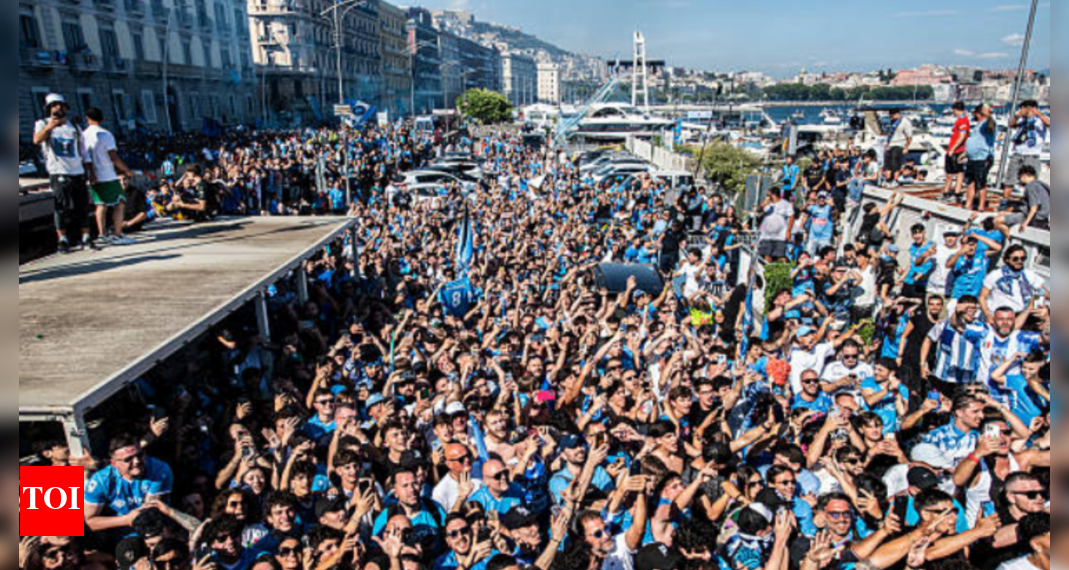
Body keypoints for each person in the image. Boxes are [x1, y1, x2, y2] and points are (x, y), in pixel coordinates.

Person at [33, 94, 96, 253]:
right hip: (58, 171)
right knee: (61, 207)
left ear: (65, 107)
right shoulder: (42, 123)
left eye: (60, 105)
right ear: (48, 108)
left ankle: (86, 237)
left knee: (82, 206)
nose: (57, 108)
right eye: (54, 105)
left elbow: (83, 150)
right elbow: (36, 140)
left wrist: (91, 171)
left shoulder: (74, 126)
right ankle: (62, 239)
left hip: (77, 171)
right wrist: (50, 127)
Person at [85, 436, 175, 533]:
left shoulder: (158, 469)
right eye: (128, 459)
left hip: (151, 529)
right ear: (114, 463)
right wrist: (127, 520)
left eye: (140, 455)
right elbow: (89, 522)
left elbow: (149, 514)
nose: (137, 461)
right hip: (116, 533)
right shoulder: (101, 480)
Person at [83, 107, 136, 246]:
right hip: (107, 174)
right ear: (102, 119)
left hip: (93, 175)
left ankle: (102, 234)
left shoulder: (83, 135)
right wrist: (127, 171)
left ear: (87, 119)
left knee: (100, 205)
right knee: (120, 202)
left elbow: (86, 158)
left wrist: (91, 174)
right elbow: (113, 157)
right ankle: (117, 235)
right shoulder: (105, 134)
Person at [1001, 100, 1049, 203]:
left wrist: (1037, 114)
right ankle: (1004, 201)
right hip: (1018, 153)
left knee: (1031, 181)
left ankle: (1030, 202)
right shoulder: (1021, 120)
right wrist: (1017, 115)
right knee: (1010, 179)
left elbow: (1050, 124)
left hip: (1032, 154)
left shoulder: (1039, 121)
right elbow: (1011, 125)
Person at [993, 166, 1050, 233]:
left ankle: (1009, 238)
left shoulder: (1031, 186)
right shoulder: (1041, 185)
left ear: (1024, 175)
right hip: (1042, 217)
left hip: (1032, 217)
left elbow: (1034, 207)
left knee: (996, 221)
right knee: (1002, 213)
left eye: (1019, 177)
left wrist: (1025, 223)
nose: (1019, 180)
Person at [964, 104, 997, 211]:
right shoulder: (977, 125)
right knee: (970, 181)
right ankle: (968, 203)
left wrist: (987, 114)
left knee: (981, 182)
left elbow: (991, 126)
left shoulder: (988, 123)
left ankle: (981, 205)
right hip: (973, 158)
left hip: (983, 157)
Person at [757, 187, 794, 262]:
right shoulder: (767, 204)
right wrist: (763, 204)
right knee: (767, 256)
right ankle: (767, 272)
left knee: (780, 256)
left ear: (773, 194)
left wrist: (789, 231)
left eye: (768, 194)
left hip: (780, 236)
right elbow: (758, 210)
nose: (767, 196)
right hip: (766, 236)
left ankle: (781, 272)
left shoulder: (785, 204)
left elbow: (791, 216)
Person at [943, 102, 970, 203]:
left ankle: (957, 193)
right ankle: (946, 191)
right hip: (952, 149)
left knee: (958, 172)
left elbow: (962, 136)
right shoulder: (960, 120)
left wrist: (953, 149)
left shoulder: (963, 120)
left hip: (957, 150)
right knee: (949, 172)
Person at [885, 108, 913, 185]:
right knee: (887, 165)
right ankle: (888, 180)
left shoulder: (904, 122)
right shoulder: (892, 122)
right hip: (890, 144)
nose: (891, 117)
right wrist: (887, 143)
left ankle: (895, 180)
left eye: (892, 115)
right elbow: (890, 134)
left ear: (897, 114)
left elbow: (909, 136)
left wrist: (906, 147)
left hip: (899, 144)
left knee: (895, 164)